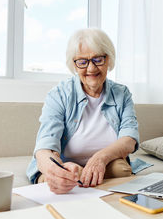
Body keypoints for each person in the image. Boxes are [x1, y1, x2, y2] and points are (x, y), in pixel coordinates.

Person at [26, 28, 139, 194]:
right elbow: (45, 145)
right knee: (60, 177)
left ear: (109, 60)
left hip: (107, 163)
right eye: (82, 62)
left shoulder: (122, 94)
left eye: (98, 59)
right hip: (68, 164)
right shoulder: (59, 94)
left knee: (120, 170)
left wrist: (100, 158)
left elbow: (129, 139)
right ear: (74, 64)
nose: (91, 69)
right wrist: (55, 170)